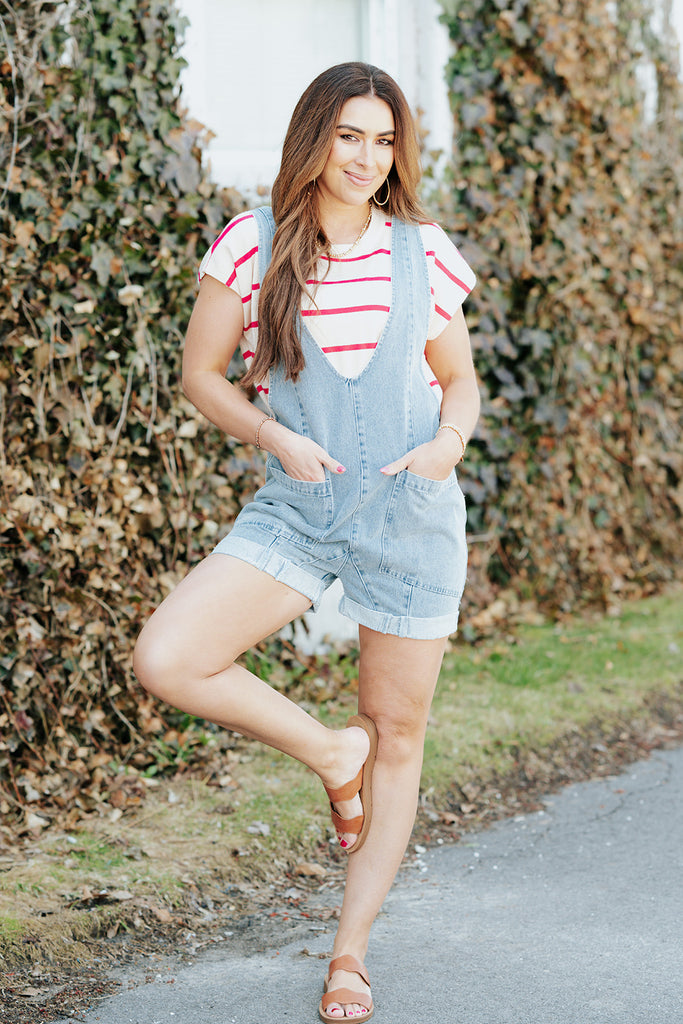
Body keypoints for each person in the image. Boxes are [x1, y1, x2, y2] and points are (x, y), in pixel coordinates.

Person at [134, 61, 479, 1022]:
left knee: (397, 736)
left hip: (410, 514)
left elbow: (458, 380)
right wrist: (272, 435)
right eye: (348, 136)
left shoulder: (421, 250)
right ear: (314, 140)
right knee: (169, 657)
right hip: (299, 508)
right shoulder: (251, 243)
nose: (367, 158)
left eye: (384, 140)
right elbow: (202, 374)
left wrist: (446, 446)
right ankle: (330, 754)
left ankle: (349, 955)